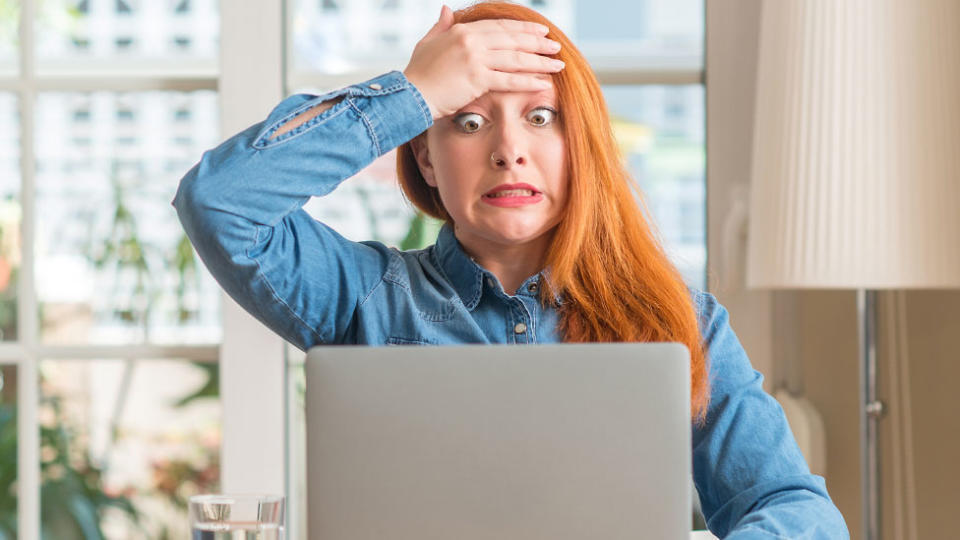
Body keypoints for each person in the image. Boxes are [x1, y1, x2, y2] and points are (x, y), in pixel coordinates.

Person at [173, 2, 849, 537]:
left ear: (577, 147)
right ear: (428, 160)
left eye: (540, 118)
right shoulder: (365, 298)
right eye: (467, 121)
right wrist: (412, 93)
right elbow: (220, 200)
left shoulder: (682, 323)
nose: (508, 152)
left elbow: (795, 507)